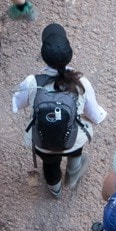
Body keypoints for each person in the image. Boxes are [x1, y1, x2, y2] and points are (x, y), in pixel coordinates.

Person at [12, 22, 105, 196]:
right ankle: (72, 176)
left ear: (43, 56)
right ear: (69, 54)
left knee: (50, 165)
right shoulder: (81, 83)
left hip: (43, 141)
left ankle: (56, 191)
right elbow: (94, 114)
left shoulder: (33, 82)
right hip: (72, 139)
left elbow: (17, 104)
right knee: (76, 152)